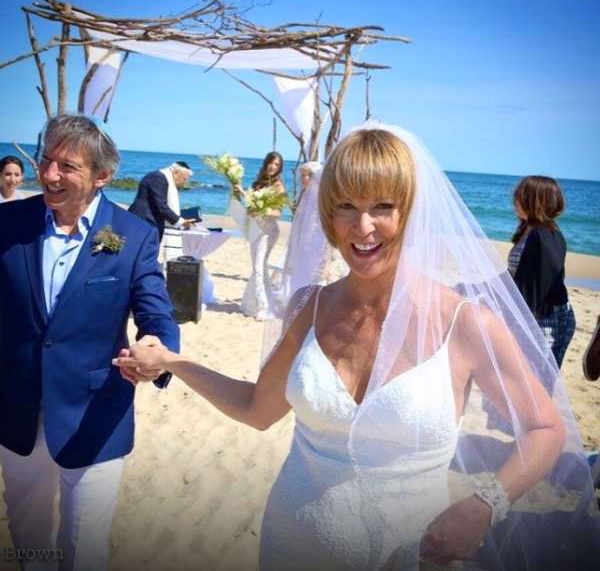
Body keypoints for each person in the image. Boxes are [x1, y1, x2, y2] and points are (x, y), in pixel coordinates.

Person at [114, 122, 600, 570]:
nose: (362, 227)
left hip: (413, 556)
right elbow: (257, 409)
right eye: (345, 205)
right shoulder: (310, 306)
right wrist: (175, 361)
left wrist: (485, 505)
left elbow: (544, 428)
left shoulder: (465, 322)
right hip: (291, 546)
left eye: (382, 207)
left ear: (410, 212)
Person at [0, 115, 180, 571]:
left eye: (67, 166)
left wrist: (157, 348)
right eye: (46, 160)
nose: (49, 174)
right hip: (17, 410)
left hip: (95, 413)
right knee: (29, 536)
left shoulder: (133, 236)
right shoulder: (7, 222)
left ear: (103, 176)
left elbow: (155, 310)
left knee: (84, 549)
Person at [509, 175, 576, 368]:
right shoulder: (530, 229)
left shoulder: (542, 235)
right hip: (542, 316)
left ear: (535, 201)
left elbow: (538, 290)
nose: (514, 199)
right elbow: (519, 274)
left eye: (520, 195)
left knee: (532, 381)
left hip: (546, 321)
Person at [238, 151, 287, 321]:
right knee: (260, 266)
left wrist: (261, 210)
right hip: (255, 229)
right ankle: (257, 302)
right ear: (266, 163)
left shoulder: (279, 186)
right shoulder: (257, 184)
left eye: (277, 165)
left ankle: (263, 307)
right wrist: (242, 195)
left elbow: (277, 213)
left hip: (268, 230)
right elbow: (250, 207)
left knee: (258, 267)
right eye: (271, 163)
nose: (273, 167)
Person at [129, 161, 196, 241]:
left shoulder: (162, 178)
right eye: (184, 179)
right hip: (143, 224)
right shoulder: (158, 178)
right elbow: (161, 206)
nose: (184, 183)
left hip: (148, 224)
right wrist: (181, 221)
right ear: (175, 173)